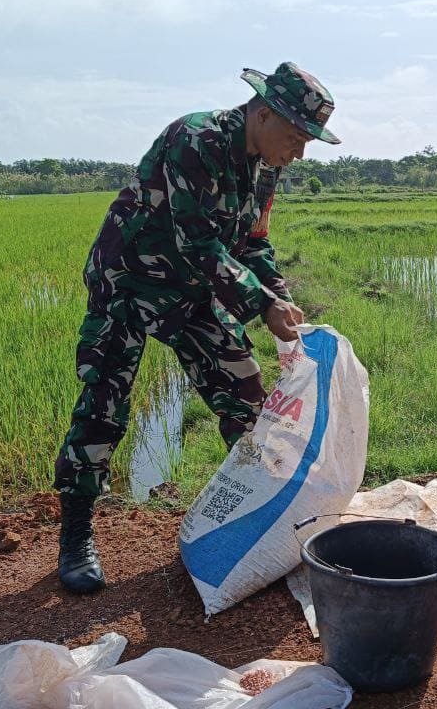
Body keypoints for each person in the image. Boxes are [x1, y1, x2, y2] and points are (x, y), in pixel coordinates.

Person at [53, 62, 340, 594]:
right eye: (296, 137)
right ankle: (75, 536)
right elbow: (198, 241)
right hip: (131, 280)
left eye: (307, 143)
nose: (299, 152)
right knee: (104, 403)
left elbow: (253, 241)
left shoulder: (267, 166)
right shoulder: (197, 139)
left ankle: (255, 525)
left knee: (248, 397)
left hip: (192, 291)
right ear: (262, 113)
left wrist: (279, 296)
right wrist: (259, 305)